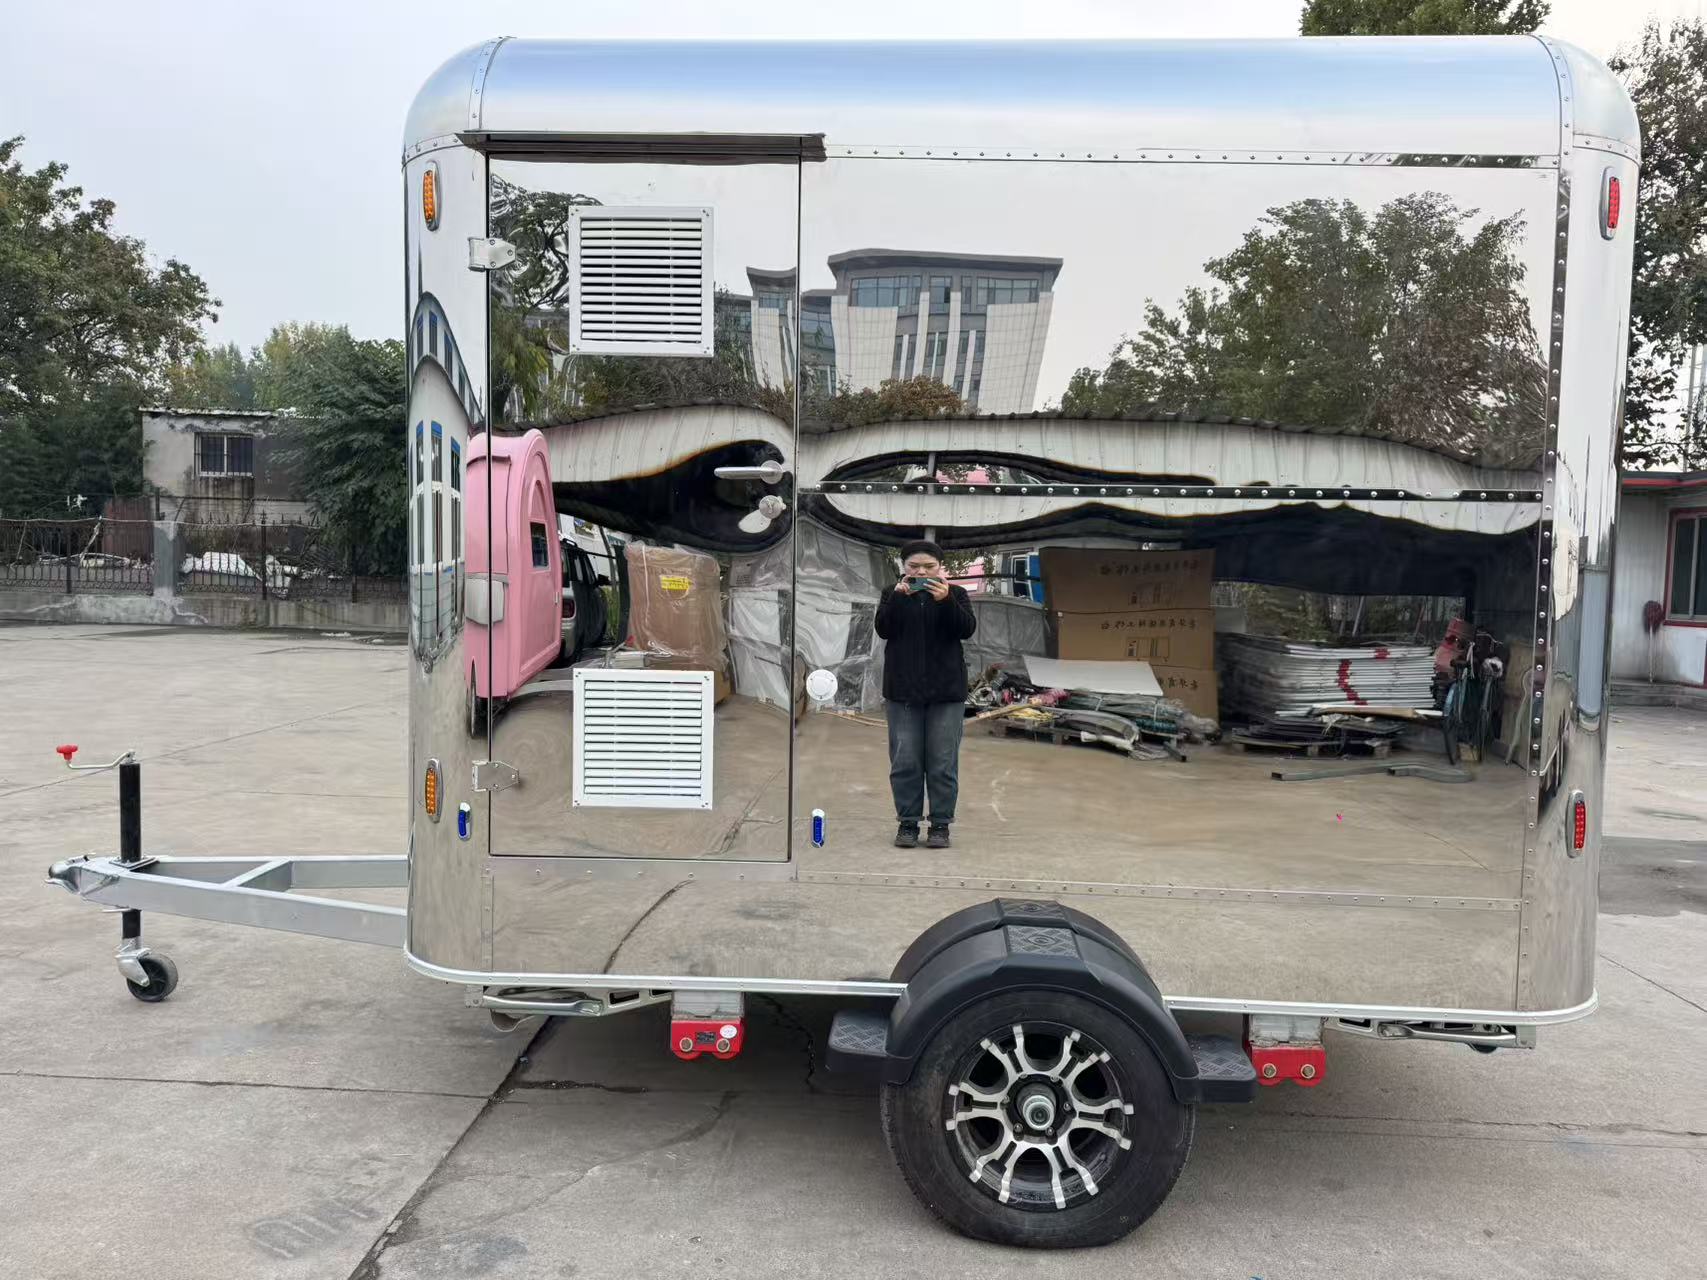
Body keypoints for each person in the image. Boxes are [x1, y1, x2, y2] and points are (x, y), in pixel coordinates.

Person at [874, 540, 977, 849]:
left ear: (940, 568)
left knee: (942, 761)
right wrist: (896, 598)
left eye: (929, 567)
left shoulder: (956, 594)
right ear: (903, 568)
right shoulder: (892, 594)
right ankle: (907, 823)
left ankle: (940, 824)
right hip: (902, 692)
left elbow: (965, 630)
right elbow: (883, 629)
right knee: (905, 760)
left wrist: (946, 600)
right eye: (914, 567)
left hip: (946, 693)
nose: (921, 572)